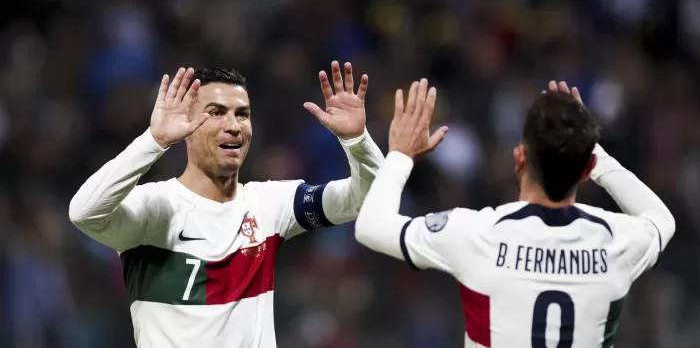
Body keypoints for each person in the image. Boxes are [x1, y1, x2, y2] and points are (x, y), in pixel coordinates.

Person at [68, 61, 384, 347]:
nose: (233, 124)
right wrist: (153, 141)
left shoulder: (270, 204)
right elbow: (84, 212)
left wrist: (357, 141)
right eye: (216, 112)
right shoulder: (156, 208)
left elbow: (367, 197)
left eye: (242, 114)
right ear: (187, 126)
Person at [355, 79, 675, 347]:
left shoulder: (478, 232)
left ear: (519, 158)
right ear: (587, 168)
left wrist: (400, 155)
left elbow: (371, 226)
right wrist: (593, 152)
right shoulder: (617, 240)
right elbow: (662, 219)